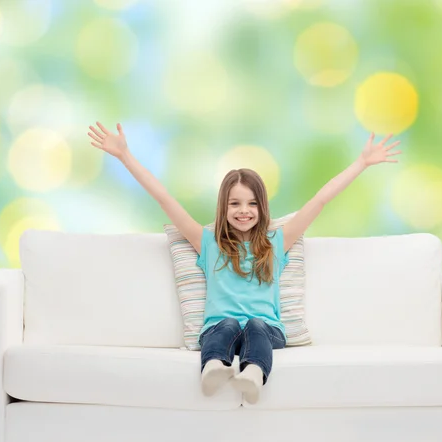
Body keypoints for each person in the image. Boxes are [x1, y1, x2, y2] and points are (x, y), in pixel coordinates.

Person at [88, 121, 401, 403]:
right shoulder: (208, 244)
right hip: (218, 330)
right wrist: (125, 157)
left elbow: (319, 200)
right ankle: (213, 367)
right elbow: (165, 199)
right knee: (223, 325)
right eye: (235, 203)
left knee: (255, 324)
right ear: (223, 207)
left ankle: (253, 375)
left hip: (267, 331)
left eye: (252, 203)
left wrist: (361, 163)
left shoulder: (276, 244)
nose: (244, 210)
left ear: (262, 207)